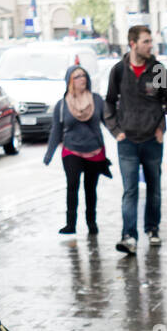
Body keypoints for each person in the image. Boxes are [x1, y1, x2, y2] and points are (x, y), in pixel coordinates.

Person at [103, 25, 167, 255]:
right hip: (127, 141)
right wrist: (116, 131)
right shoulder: (118, 71)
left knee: (154, 188)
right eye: (145, 41)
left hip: (152, 140)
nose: (150, 46)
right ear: (133, 43)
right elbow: (108, 102)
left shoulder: (157, 70)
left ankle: (152, 229)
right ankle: (129, 236)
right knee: (130, 190)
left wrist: (162, 127)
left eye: (150, 41)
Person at [43, 64, 112, 236]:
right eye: (78, 76)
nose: (83, 79)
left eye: (84, 75)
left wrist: (121, 134)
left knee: (90, 189)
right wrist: (49, 154)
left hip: (94, 151)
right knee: (72, 186)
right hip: (71, 150)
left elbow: (108, 121)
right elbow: (56, 130)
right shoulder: (62, 105)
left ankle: (91, 222)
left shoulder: (96, 100)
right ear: (70, 81)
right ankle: (70, 224)